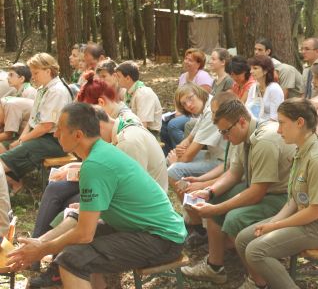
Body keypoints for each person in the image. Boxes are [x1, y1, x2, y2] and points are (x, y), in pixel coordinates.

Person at [8, 103, 186, 289]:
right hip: (146, 231)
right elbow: (78, 219)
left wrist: (42, 250)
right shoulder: (100, 153)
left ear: (78, 135)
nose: (55, 134)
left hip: (162, 239)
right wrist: (40, 242)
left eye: (60, 130)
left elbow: (85, 234)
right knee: (74, 251)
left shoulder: (96, 165)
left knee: (71, 260)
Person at [234, 98, 318, 289]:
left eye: (281, 123)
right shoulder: (301, 152)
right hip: (308, 219)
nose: (278, 130)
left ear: (300, 122)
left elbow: (315, 211)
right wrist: (272, 223)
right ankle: (259, 284)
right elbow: (294, 201)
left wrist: (276, 226)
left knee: (256, 251)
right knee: (244, 239)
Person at [181, 99, 295, 284]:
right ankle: (214, 266)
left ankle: (258, 282)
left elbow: (257, 192)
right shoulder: (243, 135)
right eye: (221, 132)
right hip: (264, 190)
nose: (224, 138)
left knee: (235, 218)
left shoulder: (264, 141)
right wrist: (209, 192)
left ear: (242, 121)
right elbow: (234, 173)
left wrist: (216, 210)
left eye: (226, 131)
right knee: (216, 201)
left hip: (285, 197)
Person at [0, 53, 72, 194]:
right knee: (6, 150)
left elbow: (46, 126)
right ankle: (14, 186)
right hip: (41, 137)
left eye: (36, 73)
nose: (33, 77)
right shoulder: (42, 89)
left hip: (56, 141)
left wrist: (22, 140)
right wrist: (22, 139)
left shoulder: (57, 91)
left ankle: (7, 195)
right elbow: (33, 121)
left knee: (3, 163)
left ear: (48, 71)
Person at [166, 84, 225, 186]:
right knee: (170, 158)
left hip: (224, 162)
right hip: (215, 155)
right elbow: (190, 138)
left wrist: (176, 162)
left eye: (190, 98)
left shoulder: (211, 111)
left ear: (198, 93)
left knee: (173, 170)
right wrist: (181, 148)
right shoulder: (206, 105)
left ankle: (188, 201)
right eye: (184, 104)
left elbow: (187, 157)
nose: (188, 105)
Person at [115, 61, 162, 136]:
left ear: (127, 78)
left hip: (149, 133)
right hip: (134, 128)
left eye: (118, 76)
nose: (116, 79)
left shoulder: (143, 93)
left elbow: (143, 125)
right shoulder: (128, 92)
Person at [247, 56, 284, 121]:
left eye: (255, 68)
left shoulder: (274, 89)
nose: (251, 71)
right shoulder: (253, 87)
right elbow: (247, 108)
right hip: (254, 123)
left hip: (270, 126)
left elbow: (274, 117)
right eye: (251, 68)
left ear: (265, 71)